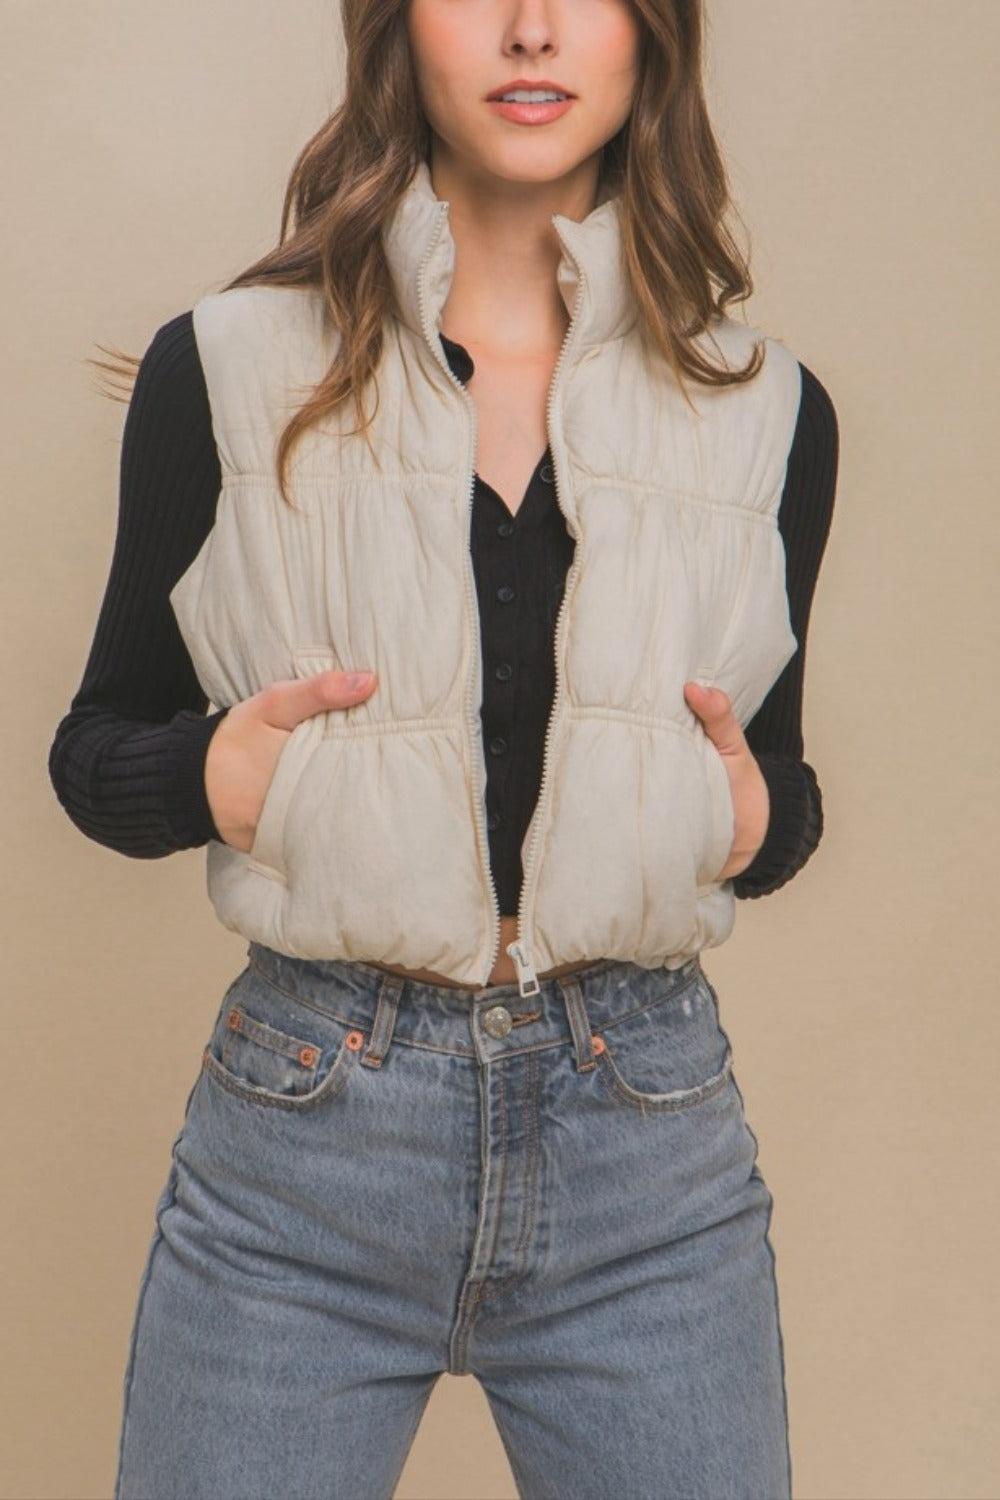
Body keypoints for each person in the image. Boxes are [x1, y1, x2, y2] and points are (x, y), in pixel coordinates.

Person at [49, 0, 838, 1494]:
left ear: (652, 36)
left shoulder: (771, 412)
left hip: (648, 1144)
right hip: (308, 1140)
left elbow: (773, 783)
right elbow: (97, 748)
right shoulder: (222, 367)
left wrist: (755, 821)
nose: (533, 30)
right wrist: (210, 776)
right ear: (395, 28)